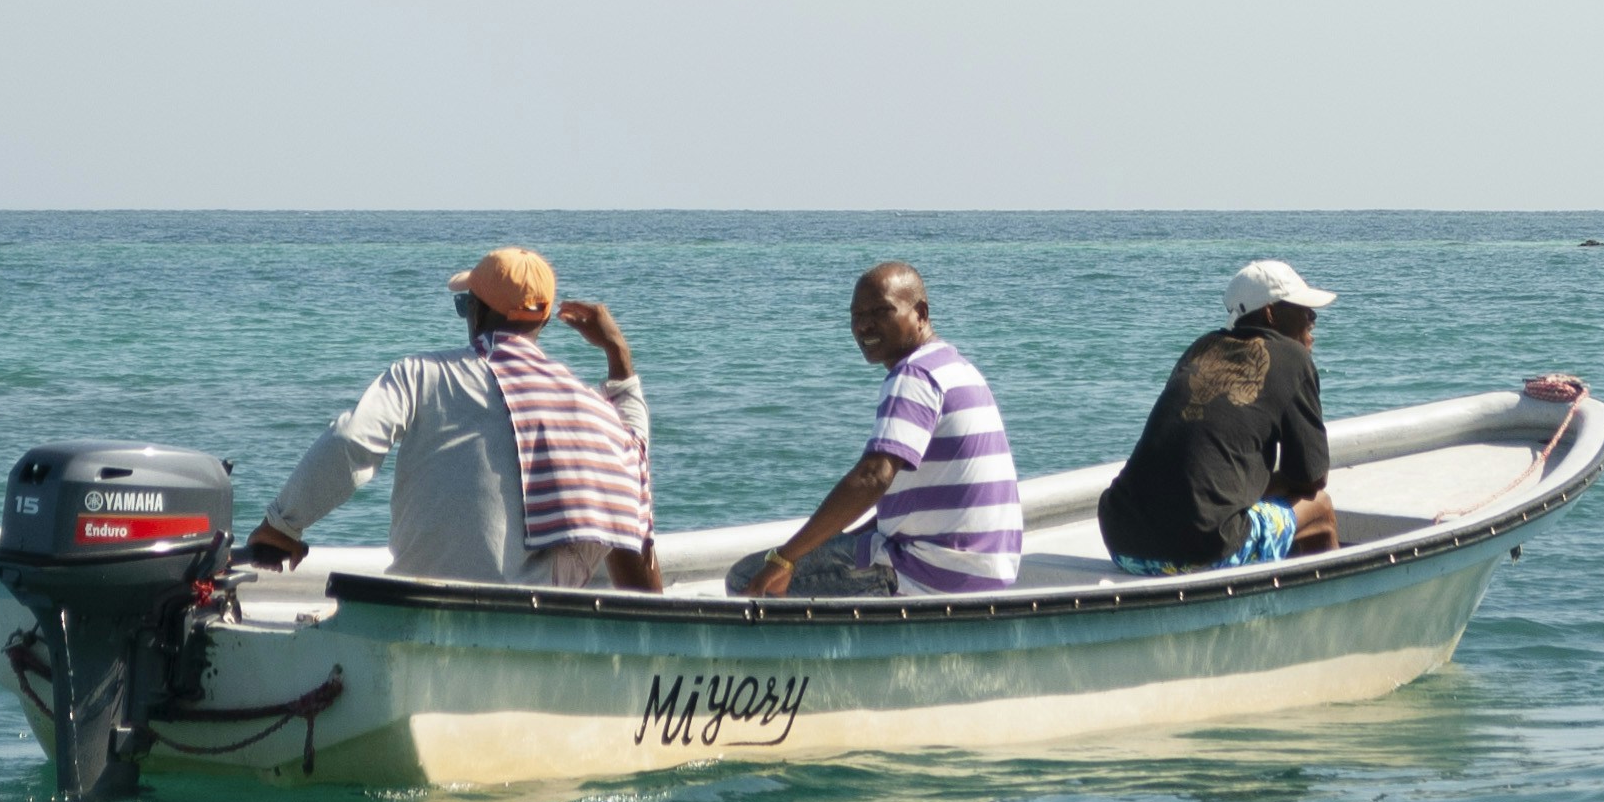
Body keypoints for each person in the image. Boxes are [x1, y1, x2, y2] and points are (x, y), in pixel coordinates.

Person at [243, 246, 660, 590]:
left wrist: (283, 525)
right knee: (619, 496)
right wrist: (617, 353)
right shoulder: (587, 407)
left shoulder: (420, 374)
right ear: (545, 320)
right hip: (531, 612)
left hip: (419, 602)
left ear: (476, 311)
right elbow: (634, 458)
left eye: (465, 304)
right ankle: (650, 626)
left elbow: (350, 440)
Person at [729, 263, 1023, 598]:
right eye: (857, 315)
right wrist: (830, 541)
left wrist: (785, 559)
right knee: (829, 547)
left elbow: (873, 476)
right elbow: (905, 504)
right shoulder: (955, 367)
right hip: (986, 572)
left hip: (928, 573)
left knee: (747, 577)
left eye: (881, 312)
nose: (864, 325)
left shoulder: (914, 375)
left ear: (920, 314)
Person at [1096, 258, 1339, 574]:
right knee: (1319, 509)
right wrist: (1248, 489)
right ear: (1270, 313)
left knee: (1253, 508)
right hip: (1205, 551)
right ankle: (1332, 600)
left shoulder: (1202, 348)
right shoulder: (1293, 357)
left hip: (1123, 541)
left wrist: (1237, 489)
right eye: (1304, 309)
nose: (1312, 318)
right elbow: (1311, 478)